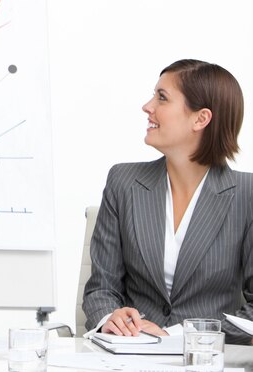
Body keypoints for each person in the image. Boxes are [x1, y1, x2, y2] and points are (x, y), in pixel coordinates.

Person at [83, 59, 253, 345]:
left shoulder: (246, 194)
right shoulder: (123, 181)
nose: (148, 106)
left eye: (162, 98)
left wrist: (179, 335)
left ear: (201, 119)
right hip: (131, 354)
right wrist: (109, 318)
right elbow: (101, 288)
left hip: (207, 359)